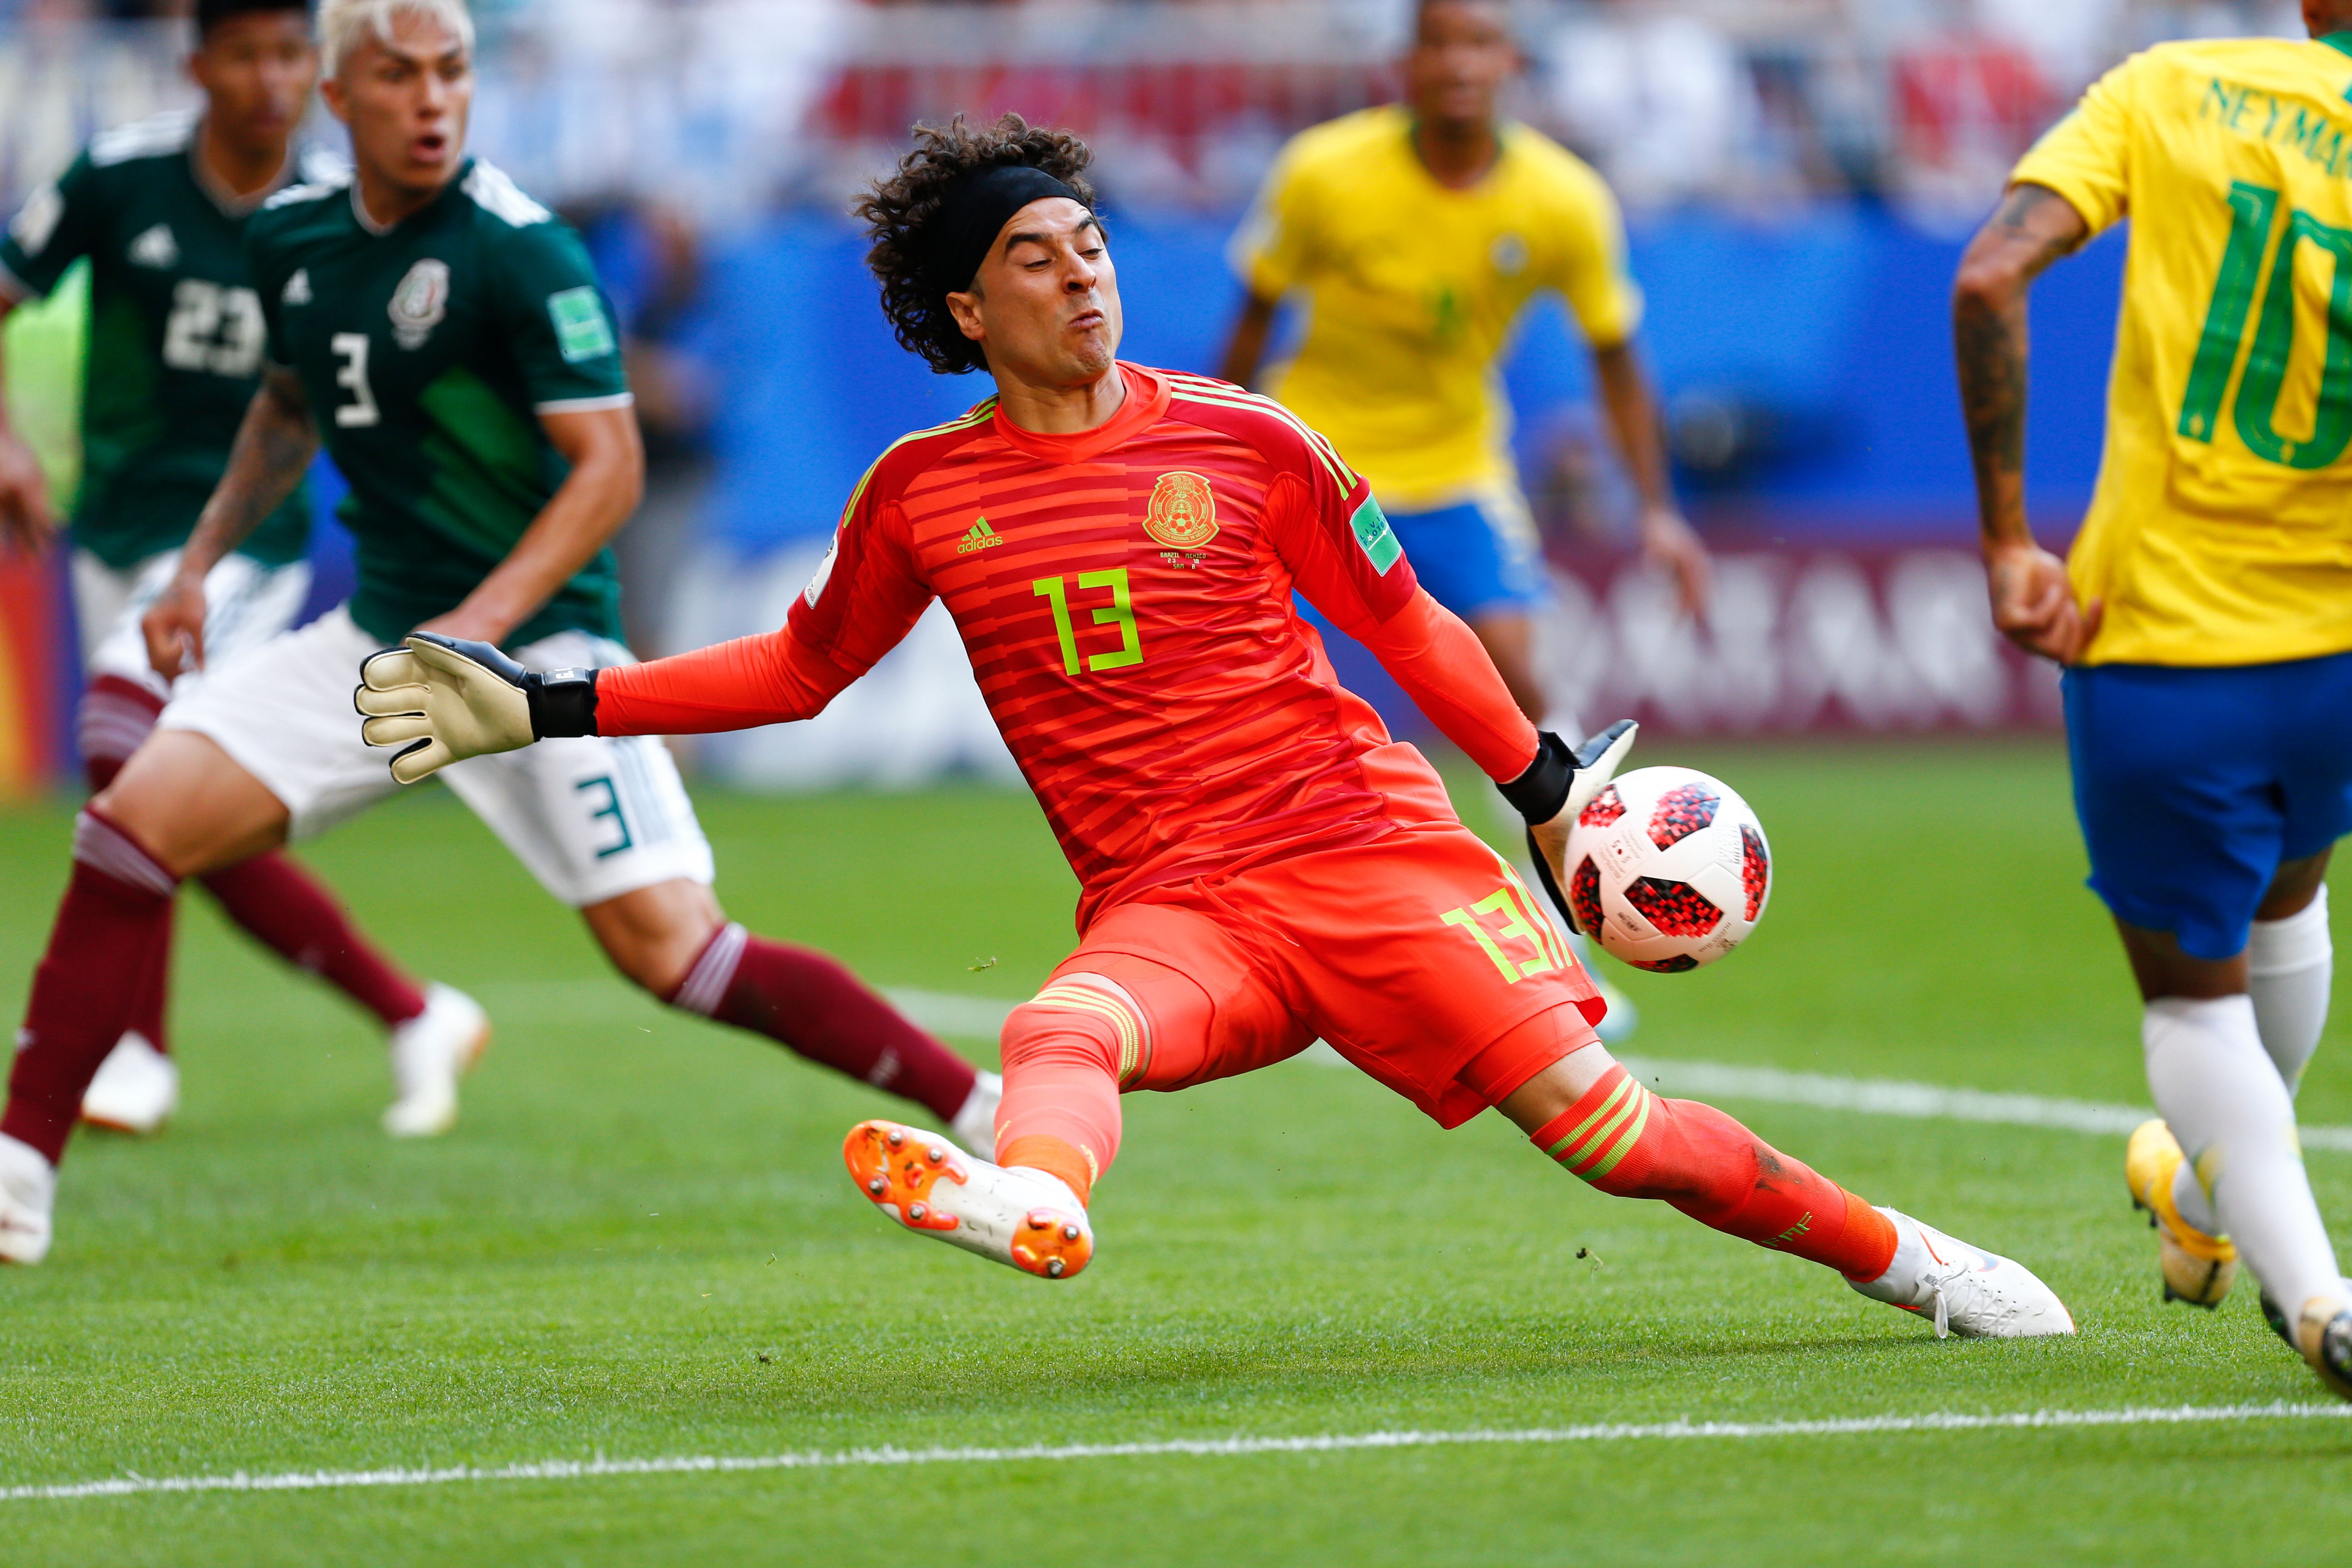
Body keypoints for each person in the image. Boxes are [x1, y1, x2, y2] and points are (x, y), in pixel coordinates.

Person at [365, 113, 2073, 1339]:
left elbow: (1404, 618)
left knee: (1604, 1134)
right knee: (1057, 1028)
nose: (1080, 279)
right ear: (967, 310)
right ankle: (1040, 1199)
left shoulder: (1247, 443)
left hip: (1364, 850)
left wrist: (1544, 790)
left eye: (1090, 248)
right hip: (1174, 905)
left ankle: (1906, 1257)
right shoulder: (920, 494)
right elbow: (802, 670)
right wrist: (547, 699)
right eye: (1034, 261)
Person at [0, 0, 996, 1267]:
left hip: (542, 665)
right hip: (377, 642)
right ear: (339, 95)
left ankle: (977, 1105)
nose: (431, 99)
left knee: (678, 954)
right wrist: (197, 565)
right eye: (399, 74)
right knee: (130, 826)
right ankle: (21, 1170)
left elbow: (610, 465)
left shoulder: (518, 248)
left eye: (453, 72)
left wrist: (481, 627)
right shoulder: (298, 240)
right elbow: (287, 408)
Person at [1952, 2, 2352, 1397]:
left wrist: (2010, 542)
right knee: (2290, 906)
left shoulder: (2174, 87)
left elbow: (1990, 280)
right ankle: (2198, 1193)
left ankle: (2321, 1303)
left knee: (2195, 998)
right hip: (2343, 653)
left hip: (2165, 644)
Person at [0, 0, 485, 1139]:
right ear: (199, 64)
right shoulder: (117, 177)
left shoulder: (333, 212)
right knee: (164, 795)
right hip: (114, 528)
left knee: (125, 742)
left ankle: (137, 1049)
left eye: (288, 54)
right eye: (246, 54)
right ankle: (409, 1011)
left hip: (240, 543)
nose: (269, 78)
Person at [1216, 0, 1711, 1042]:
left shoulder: (1564, 199)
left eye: (1477, 42)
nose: (1456, 63)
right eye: (1437, 42)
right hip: (1320, 464)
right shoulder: (1323, 172)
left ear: (1510, 62)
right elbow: (1254, 321)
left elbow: (1616, 352)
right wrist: (1204, 464)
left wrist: (1659, 512)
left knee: (1520, 688)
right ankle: (1263, 938)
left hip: (1457, 468)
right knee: (1274, 705)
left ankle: (1573, 932)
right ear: (1405, 61)